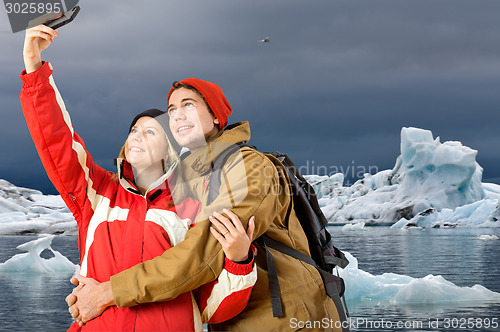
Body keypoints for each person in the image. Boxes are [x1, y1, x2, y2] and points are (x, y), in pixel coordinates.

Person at [67, 64, 344, 331]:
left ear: (215, 116)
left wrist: (110, 291)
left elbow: (205, 250)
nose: (177, 115)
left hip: (289, 317)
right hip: (237, 321)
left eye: (188, 105)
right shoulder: (191, 180)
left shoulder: (250, 166)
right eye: (172, 110)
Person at [20, 25, 258, 331]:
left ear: (170, 149)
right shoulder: (97, 192)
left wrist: (239, 262)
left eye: (150, 132)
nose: (137, 137)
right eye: (134, 130)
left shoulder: (191, 207)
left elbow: (214, 308)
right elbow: (56, 141)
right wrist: (33, 65)